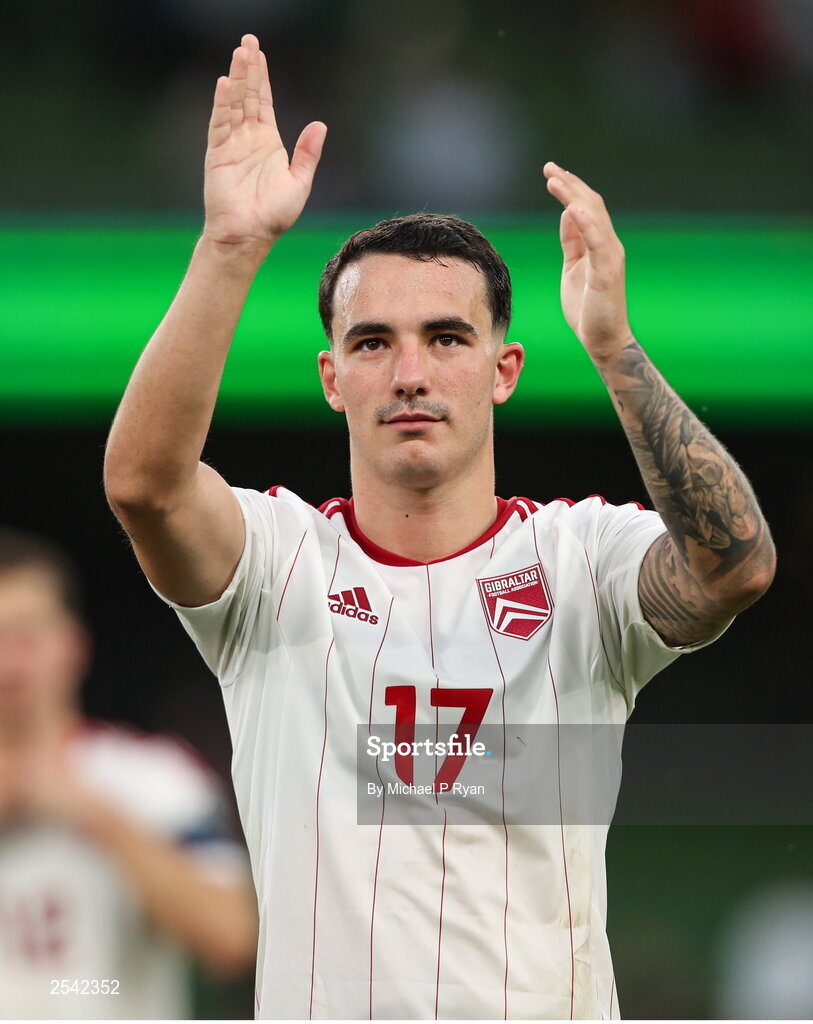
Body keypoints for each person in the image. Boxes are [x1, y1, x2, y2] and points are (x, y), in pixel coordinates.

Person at [103, 33, 776, 1020]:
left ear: (503, 370)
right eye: (373, 342)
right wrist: (230, 247)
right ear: (334, 380)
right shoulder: (275, 568)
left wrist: (615, 346)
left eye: (447, 338)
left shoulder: (582, 564)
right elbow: (145, 487)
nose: (410, 372)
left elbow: (735, 568)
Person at [0, 527, 258, 1019]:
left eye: (28, 634)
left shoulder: (149, 774)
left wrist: (98, 817)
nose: (12, 662)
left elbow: (232, 937)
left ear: (73, 646)